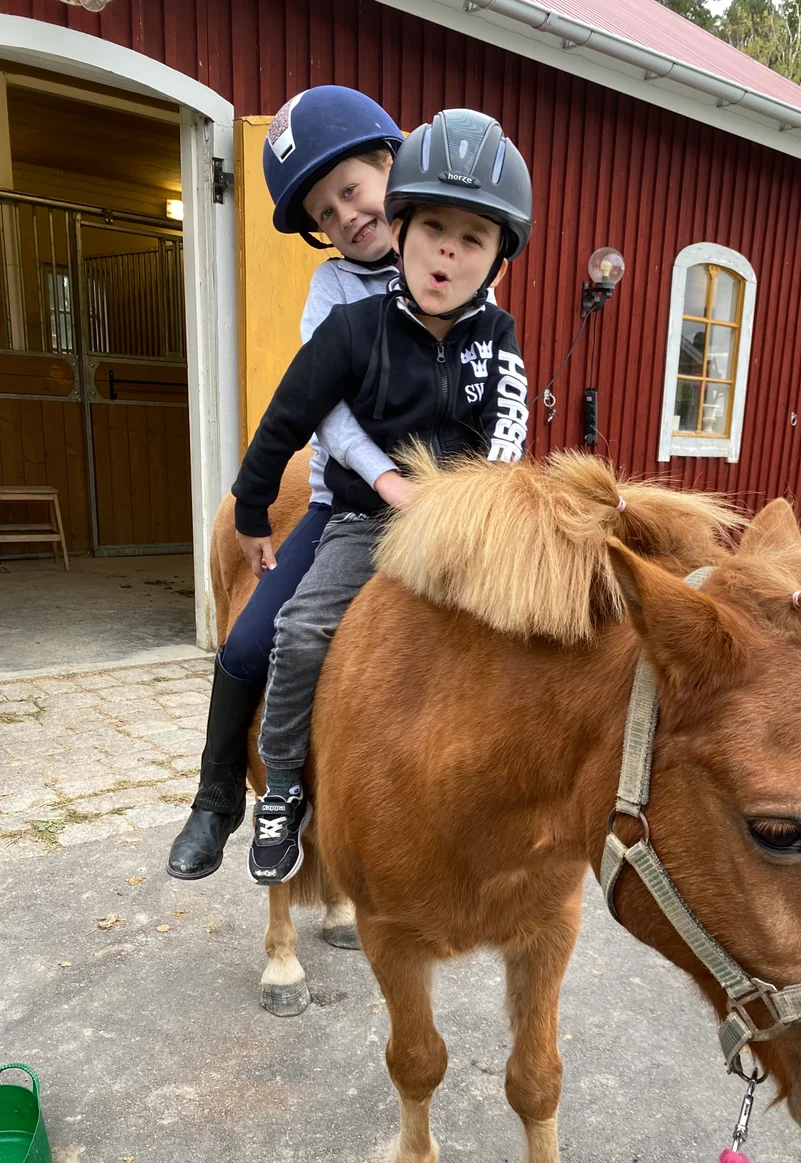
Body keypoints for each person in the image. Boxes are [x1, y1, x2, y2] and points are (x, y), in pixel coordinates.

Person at [233, 108, 532, 885]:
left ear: (497, 257)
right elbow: (289, 416)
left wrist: (478, 506)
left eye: (472, 241)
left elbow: (508, 425)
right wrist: (250, 506)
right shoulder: (350, 324)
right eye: (432, 230)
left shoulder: (496, 335)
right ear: (404, 231)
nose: (447, 253)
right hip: (365, 519)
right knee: (296, 634)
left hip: (465, 523)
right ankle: (282, 790)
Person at [167, 86, 404, 880]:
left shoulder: (454, 260)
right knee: (245, 643)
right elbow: (325, 413)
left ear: (388, 165)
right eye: (325, 214)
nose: (345, 217)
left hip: (452, 511)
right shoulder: (331, 292)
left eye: (350, 191)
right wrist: (387, 478)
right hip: (349, 511)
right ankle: (218, 800)